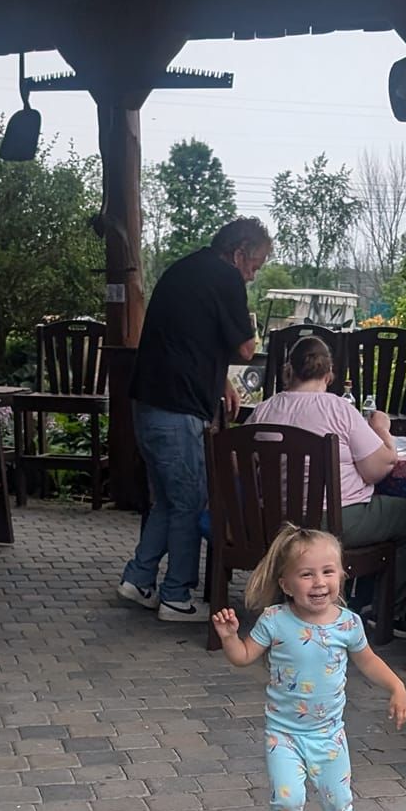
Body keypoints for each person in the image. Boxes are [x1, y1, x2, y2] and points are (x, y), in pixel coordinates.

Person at [212, 524, 406, 811]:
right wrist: (229, 638)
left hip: (329, 734)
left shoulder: (348, 624)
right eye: (306, 574)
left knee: (339, 799)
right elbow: (243, 657)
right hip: (284, 735)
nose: (319, 582)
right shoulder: (275, 620)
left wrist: (396, 686)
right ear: (286, 584)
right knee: (288, 799)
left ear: (341, 576)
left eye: (327, 572)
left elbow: (368, 661)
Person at [119, 215, 272, 622]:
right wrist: (246, 316)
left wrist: (220, 382)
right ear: (238, 254)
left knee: (168, 500)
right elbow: (246, 348)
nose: (252, 276)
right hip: (178, 409)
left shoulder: (185, 269)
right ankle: (176, 596)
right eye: (254, 266)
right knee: (190, 501)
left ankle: (139, 578)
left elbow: (187, 338)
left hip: (148, 404)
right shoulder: (226, 278)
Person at [249, 334, 406, 634]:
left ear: (290, 371)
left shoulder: (263, 410)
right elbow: (378, 468)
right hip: (334, 522)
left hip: (275, 522)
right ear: (329, 374)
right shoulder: (339, 409)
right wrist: (382, 430)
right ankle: (390, 612)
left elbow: (242, 466)